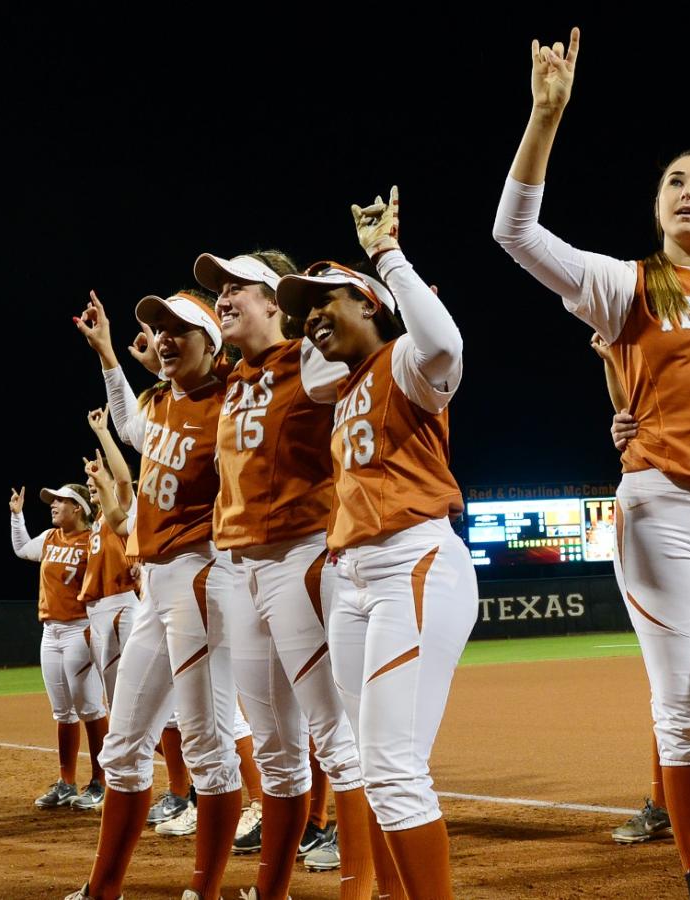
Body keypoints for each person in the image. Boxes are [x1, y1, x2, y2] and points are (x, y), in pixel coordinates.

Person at [495, 28, 690, 900]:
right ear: (657, 203)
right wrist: (544, 115)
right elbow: (513, 230)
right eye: (675, 180)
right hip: (660, 510)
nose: (689, 192)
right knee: (681, 721)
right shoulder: (630, 284)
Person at [276, 185, 473, 900]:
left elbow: (445, 342)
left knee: (391, 766)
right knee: (374, 763)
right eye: (306, 310)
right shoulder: (350, 383)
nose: (312, 318)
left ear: (368, 304)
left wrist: (386, 256)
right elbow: (305, 367)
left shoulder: (404, 365)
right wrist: (306, 320)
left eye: (325, 300)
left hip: (412, 561)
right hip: (355, 577)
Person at [197, 247, 378, 899]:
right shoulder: (236, 377)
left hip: (303, 558)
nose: (222, 295)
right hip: (242, 567)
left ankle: (360, 888)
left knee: (334, 735)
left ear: (275, 302)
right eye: (217, 287)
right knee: (276, 751)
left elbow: (380, 386)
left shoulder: (313, 359)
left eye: (236, 286)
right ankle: (272, 892)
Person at [66, 289, 241, 900]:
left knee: (208, 748)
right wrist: (110, 356)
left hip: (202, 578)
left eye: (178, 329)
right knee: (122, 748)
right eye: (158, 329)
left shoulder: (232, 403)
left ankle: (205, 891)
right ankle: (102, 889)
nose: (164, 337)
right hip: (155, 586)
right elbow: (132, 428)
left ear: (213, 343)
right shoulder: (162, 400)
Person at [10, 481, 109, 811]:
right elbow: (22, 549)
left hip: (79, 629)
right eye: (52, 501)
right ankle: (66, 782)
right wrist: (16, 516)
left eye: (60, 501)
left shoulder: (93, 539)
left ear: (78, 507)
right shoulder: (51, 538)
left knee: (91, 708)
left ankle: (101, 781)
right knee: (63, 711)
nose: (52, 505)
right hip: (50, 632)